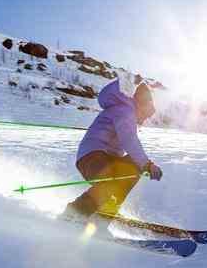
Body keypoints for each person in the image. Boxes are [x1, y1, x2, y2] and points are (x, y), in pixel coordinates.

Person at [61, 78, 163, 221]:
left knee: (131, 166)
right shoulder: (125, 111)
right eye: (147, 114)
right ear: (141, 104)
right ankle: (75, 212)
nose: (145, 119)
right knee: (112, 178)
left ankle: (104, 212)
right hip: (92, 157)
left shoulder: (126, 111)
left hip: (105, 157)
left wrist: (143, 164)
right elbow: (129, 140)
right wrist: (147, 164)